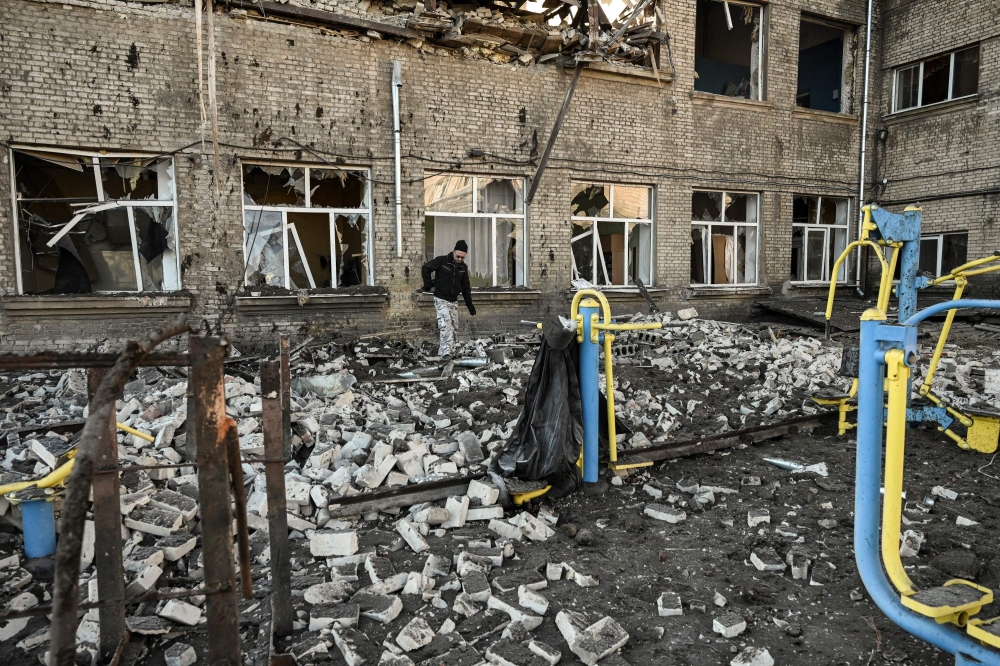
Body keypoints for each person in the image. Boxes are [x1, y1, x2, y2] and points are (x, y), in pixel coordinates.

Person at [422, 240, 476, 359]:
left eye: (462, 258)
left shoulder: (463, 268)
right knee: (445, 326)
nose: (460, 259)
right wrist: (427, 284)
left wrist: (469, 304)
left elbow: (466, 287)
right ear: (453, 252)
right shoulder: (442, 261)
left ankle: (447, 351)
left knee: (454, 327)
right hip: (441, 299)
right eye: (458, 256)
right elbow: (426, 268)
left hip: (453, 301)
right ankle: (446, 354)